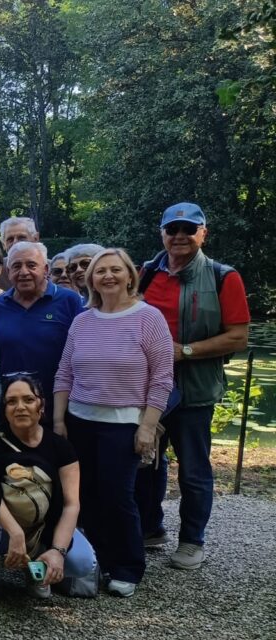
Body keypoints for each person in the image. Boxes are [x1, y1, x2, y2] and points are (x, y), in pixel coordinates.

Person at [135, 202, 250, 571]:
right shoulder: (146, 273)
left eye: (189, 229)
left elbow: (238, 337)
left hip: (194, 389)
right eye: (173, 229)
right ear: (162, 234)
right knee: (145, 460)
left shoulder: (222, 277)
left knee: (194, 468)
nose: (180, 236)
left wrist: (185, 351)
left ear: (203, 233)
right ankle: (150, 528)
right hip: (148, 388)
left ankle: (191, 540)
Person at [54, 248, 173, 597]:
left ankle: (128, 565)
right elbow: (65, 372)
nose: (108, 276)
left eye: (115, 270)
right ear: (90, 279)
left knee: (118, 495)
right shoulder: (83, 320)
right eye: (100, 270)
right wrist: (59, 420)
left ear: (129, 275)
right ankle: (96, 560)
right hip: (79, 420)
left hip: (124, 424)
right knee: (84, 494)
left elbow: (162, 377)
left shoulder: (147, 318)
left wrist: (148, 426)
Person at [0, 376, 97, 608]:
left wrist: (58, 551)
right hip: (3, 524)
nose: (20, 407)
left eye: (28, 399)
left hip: (43, 525)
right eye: (11, 401)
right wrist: (15, 532)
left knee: (82, 563)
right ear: (4, 409)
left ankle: (37, 568)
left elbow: (71, 504)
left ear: (41, 406)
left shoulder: (61, 447)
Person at [0, 241, 84, 428]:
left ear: (45, 269)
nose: (23, 272)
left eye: (31, 265)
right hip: (14, 408)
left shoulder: (69, 301)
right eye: (16, 266)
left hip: (61, 408)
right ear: (7, 271)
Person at [0, 216, 39, 290]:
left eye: (21, 238)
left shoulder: (54, 269)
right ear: (3, 244)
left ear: (35, 239)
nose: (15, 243)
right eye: (10, 239)